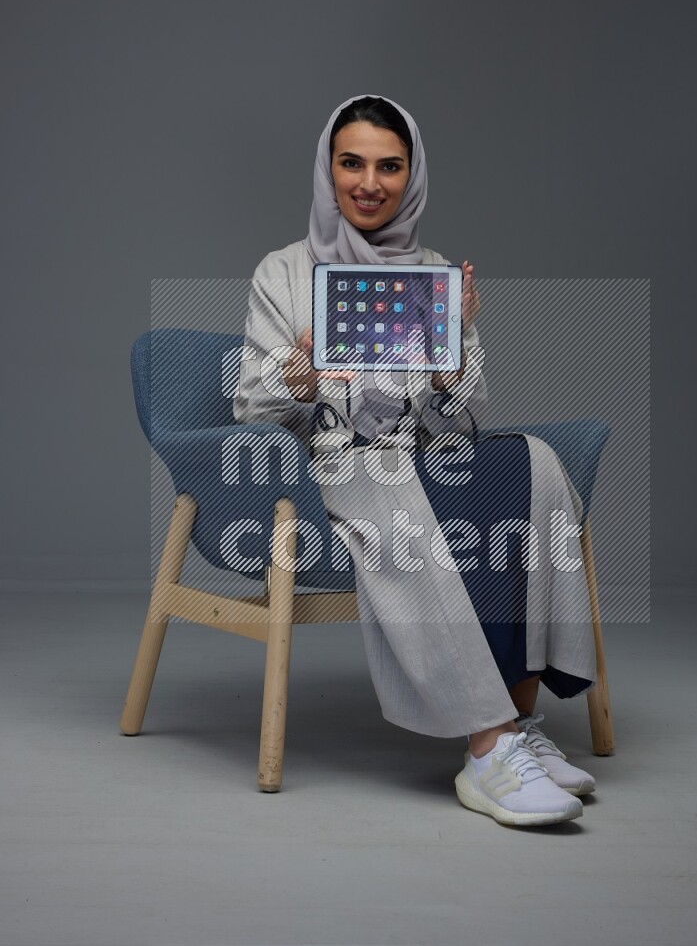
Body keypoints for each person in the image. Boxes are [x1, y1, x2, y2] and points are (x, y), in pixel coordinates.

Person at [234, 94, 599, 827]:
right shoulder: (283, 271)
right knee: (394, 485)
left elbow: (466, 411)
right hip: (338, 463)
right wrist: (299, 376)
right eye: (352, 163)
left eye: (389, 166)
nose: (369, 182)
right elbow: (248, 400)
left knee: (534, 465)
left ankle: (519, 716)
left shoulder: (430, 270)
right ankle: (488, 748)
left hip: (429, 449)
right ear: (327, 169)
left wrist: (457, 341)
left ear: (412, 174)